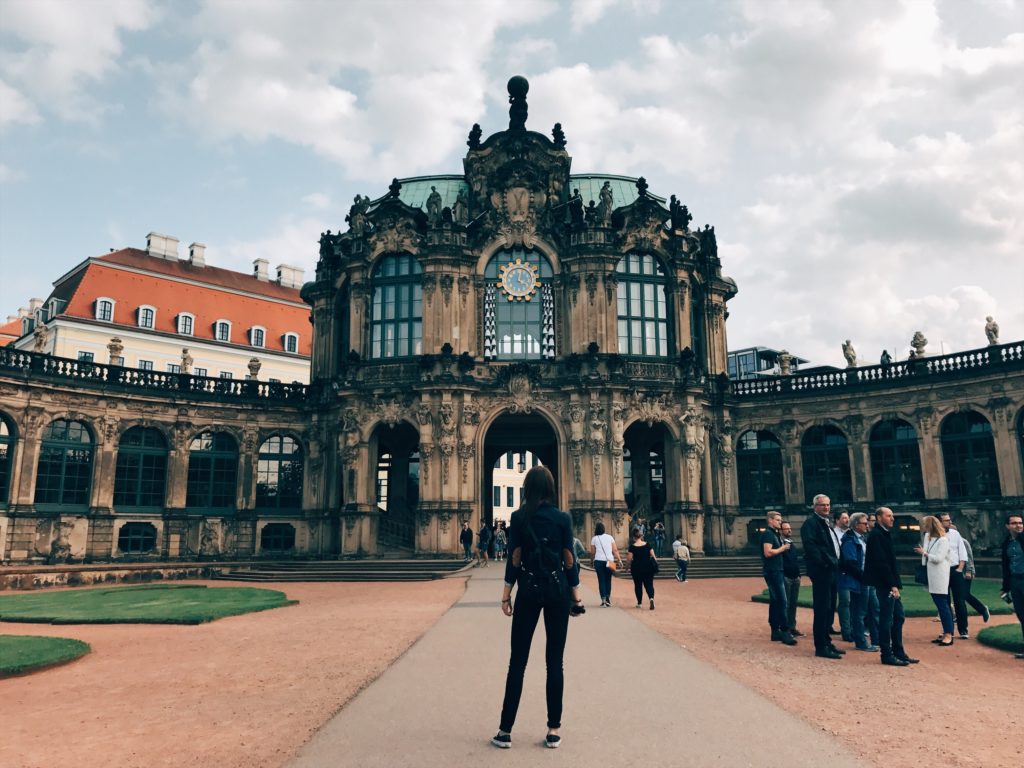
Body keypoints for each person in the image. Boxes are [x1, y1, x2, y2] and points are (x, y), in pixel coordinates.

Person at [493, 465, 583, 749]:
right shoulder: (562, 518)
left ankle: (505, 731)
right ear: (551, 489)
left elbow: (514, 558)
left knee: (517, 662)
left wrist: (506, 595)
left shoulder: (518, 517)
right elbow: (569, 559)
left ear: (527, 489)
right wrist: (576, 597)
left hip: (528, 590)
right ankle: (553, 729)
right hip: (557, 591)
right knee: (555, 662)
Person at [864, 506, 918, 667]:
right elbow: (882, 563)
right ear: (879, 517)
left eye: (892, 515)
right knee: (887, 619)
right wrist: (892, 585)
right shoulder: (877, 535)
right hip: (885, 584)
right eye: (889, 516)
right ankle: (887, 654)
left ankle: (898, 651)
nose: (892, 518)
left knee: (898, 616)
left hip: (888, 582)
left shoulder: (883, 534)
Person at [801, 494, 843, 659]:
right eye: (822, 505)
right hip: (822, 571)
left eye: (828, 504)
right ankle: (821, 646)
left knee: (829, 607)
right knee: (822, 608)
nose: (826, 507)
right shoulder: (810, 524)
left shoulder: (825, 523)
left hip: (831, 570)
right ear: (815, 507)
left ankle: (827, 641)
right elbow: (811, 547)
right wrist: (825, 563)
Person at [914, 515, 954, 646]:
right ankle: (947, 632)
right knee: (941, 604)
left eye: (925, 525)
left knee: (942, 605)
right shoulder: (929, 538)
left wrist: (924, 553)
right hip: (932, 574)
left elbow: (938, 558)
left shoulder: (943, 540)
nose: (923, 527)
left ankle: (948, 634)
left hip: (940, 575)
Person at [840, 513, 876, 651]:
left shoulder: (861, 539)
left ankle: (870, 639)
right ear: (856, 525)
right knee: (859, 612)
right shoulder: (850, 541)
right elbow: (851, 563)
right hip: (859, 581)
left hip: (864, 579)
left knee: (868, 610)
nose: (867, 525)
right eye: (864, 523)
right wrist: (865, 577)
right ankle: (860, 641)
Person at [761, 511, 797, 645]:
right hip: (773, 571)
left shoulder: (774, 534)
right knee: (782, 601)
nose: (780, 522)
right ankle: (785, 632)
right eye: (777, 520)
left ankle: (775, 631)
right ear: (770, 520)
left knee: (776, 601)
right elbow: (767, 552)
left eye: (780, 520)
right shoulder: (768, 534)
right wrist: (782, 548)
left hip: (777, 570)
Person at [938, 513, 970, 638]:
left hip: (955, 569)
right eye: (946, 520)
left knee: (960, 601)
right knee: (945, 602)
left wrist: (960, 568)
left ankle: (963, 630)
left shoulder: (955, 534)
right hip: (941, 571)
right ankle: (948, 630)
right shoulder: (932, 535)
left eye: (949, 520)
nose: (950, 522)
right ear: (939, 522)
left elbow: (962, 551)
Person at [1000, 513, 1024, 659]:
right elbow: (1005, 566)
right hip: (1015, 581)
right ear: (1007, 526)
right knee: (1021, 615)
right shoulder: (1007, 543)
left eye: (1020, 523)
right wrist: (1005, 588)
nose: (1018, 525)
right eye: (1014, 523)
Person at [958, 528, 991, 624]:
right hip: (955, 572)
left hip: (965, 572)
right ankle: (958, 615)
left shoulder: (963, 542)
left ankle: (982, 609)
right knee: (958, 595)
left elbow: (969, 557)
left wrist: (969, 571)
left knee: (964, 594)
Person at [780, 521, 803, 637]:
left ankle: (792, 627)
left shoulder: (791, 543)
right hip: (786, 577)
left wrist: (798, 575)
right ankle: (785, 629)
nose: (789, 530)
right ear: (781, 531)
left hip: (795, 577)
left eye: (790, 528)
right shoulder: (779, 544)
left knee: (793, 604)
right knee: (786, 604)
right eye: (786, 529)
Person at [590, 521, 621, 607]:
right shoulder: (610, 537)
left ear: (596, 529)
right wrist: (619, 560)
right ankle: (607, 598)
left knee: (601, 580)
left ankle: (603, 600)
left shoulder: (594, 539)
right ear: (604, 529)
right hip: (609, 561)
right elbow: (615, 550)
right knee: (608, 580)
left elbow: (593, 553)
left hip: (598, 561)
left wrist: (591, 561)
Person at [833, 509, 852, 641]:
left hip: (853, 571)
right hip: (840, 571)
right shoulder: (833, 533)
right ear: (837, 520)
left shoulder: (851, 533)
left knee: (854, 602)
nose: (847, 520)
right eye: (844, 518)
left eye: (848, 517)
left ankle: (854, 629)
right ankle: (846, 631)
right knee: (845, 601)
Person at [627, 526, 657, 610]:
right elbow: (653, 556)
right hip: (648, 567)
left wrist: (627, 567)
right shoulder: (647, 544)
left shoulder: (632, 547)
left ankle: (639, 603)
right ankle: (651, 598)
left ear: (633, 537)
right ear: (640, 536)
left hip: (636, 568)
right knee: (649, 584)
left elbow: (629, 559)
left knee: (638, 585)